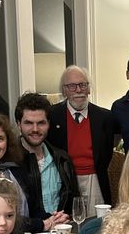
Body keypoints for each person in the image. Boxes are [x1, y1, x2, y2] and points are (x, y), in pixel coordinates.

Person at [0, 111, 69, 233]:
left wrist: (53, 218)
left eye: (0, 139)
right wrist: (40, 225)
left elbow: (35, 209)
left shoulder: (16, 169)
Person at [48, 66, 116, 212]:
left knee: (97, 225)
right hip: (64, 182)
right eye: (72, 86)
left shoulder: (105, 117)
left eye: (82, 85)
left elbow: (108, 151)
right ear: (64, 90)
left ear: (89, 89)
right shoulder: (52, 116)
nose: (78, 90)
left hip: (95, 181)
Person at [14, 92, 78, 217]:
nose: (35, 129)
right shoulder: (10, 162)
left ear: (48, 123)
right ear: (18, 124)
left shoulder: (62, 158)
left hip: (61, 232)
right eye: (28, 123)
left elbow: (73, 201)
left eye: (41, 123)